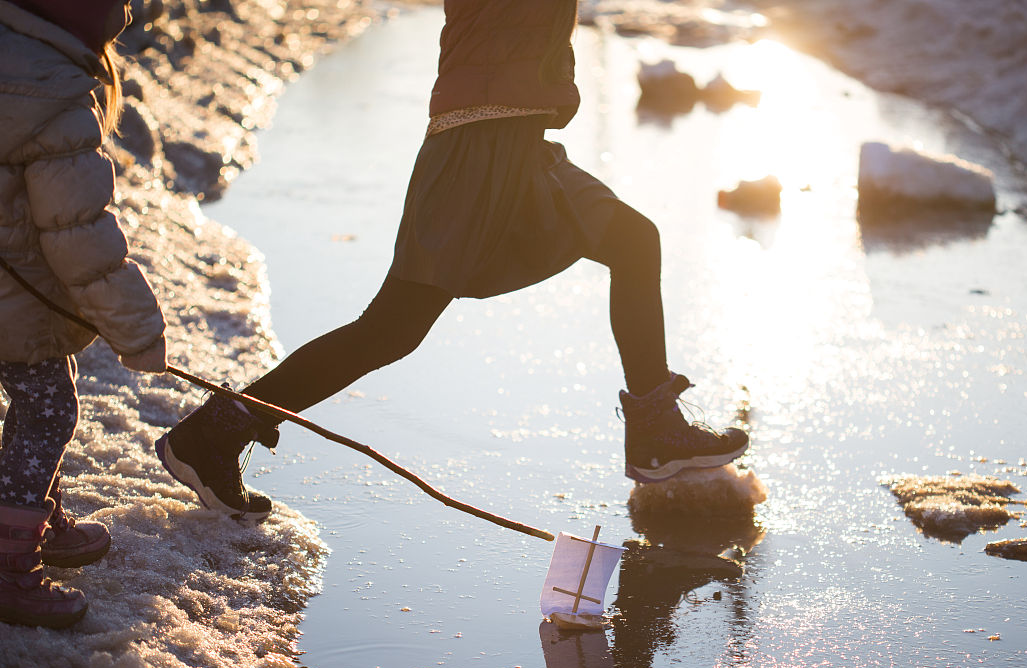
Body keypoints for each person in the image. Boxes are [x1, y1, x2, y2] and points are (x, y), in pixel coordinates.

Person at [156, 0, 748, 521]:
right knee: (390, 331)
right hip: (477, 145)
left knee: (634, 242)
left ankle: (654, 430)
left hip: (518, 141)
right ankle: (214, 433)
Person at [0, 0, 168, 628]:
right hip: (16, 298)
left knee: (35, 402)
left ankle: (32, 517)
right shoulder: (54, 95)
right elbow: (81, 236)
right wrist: (138, 332)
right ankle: (9, 563)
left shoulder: (14, 56)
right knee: (48, 412)